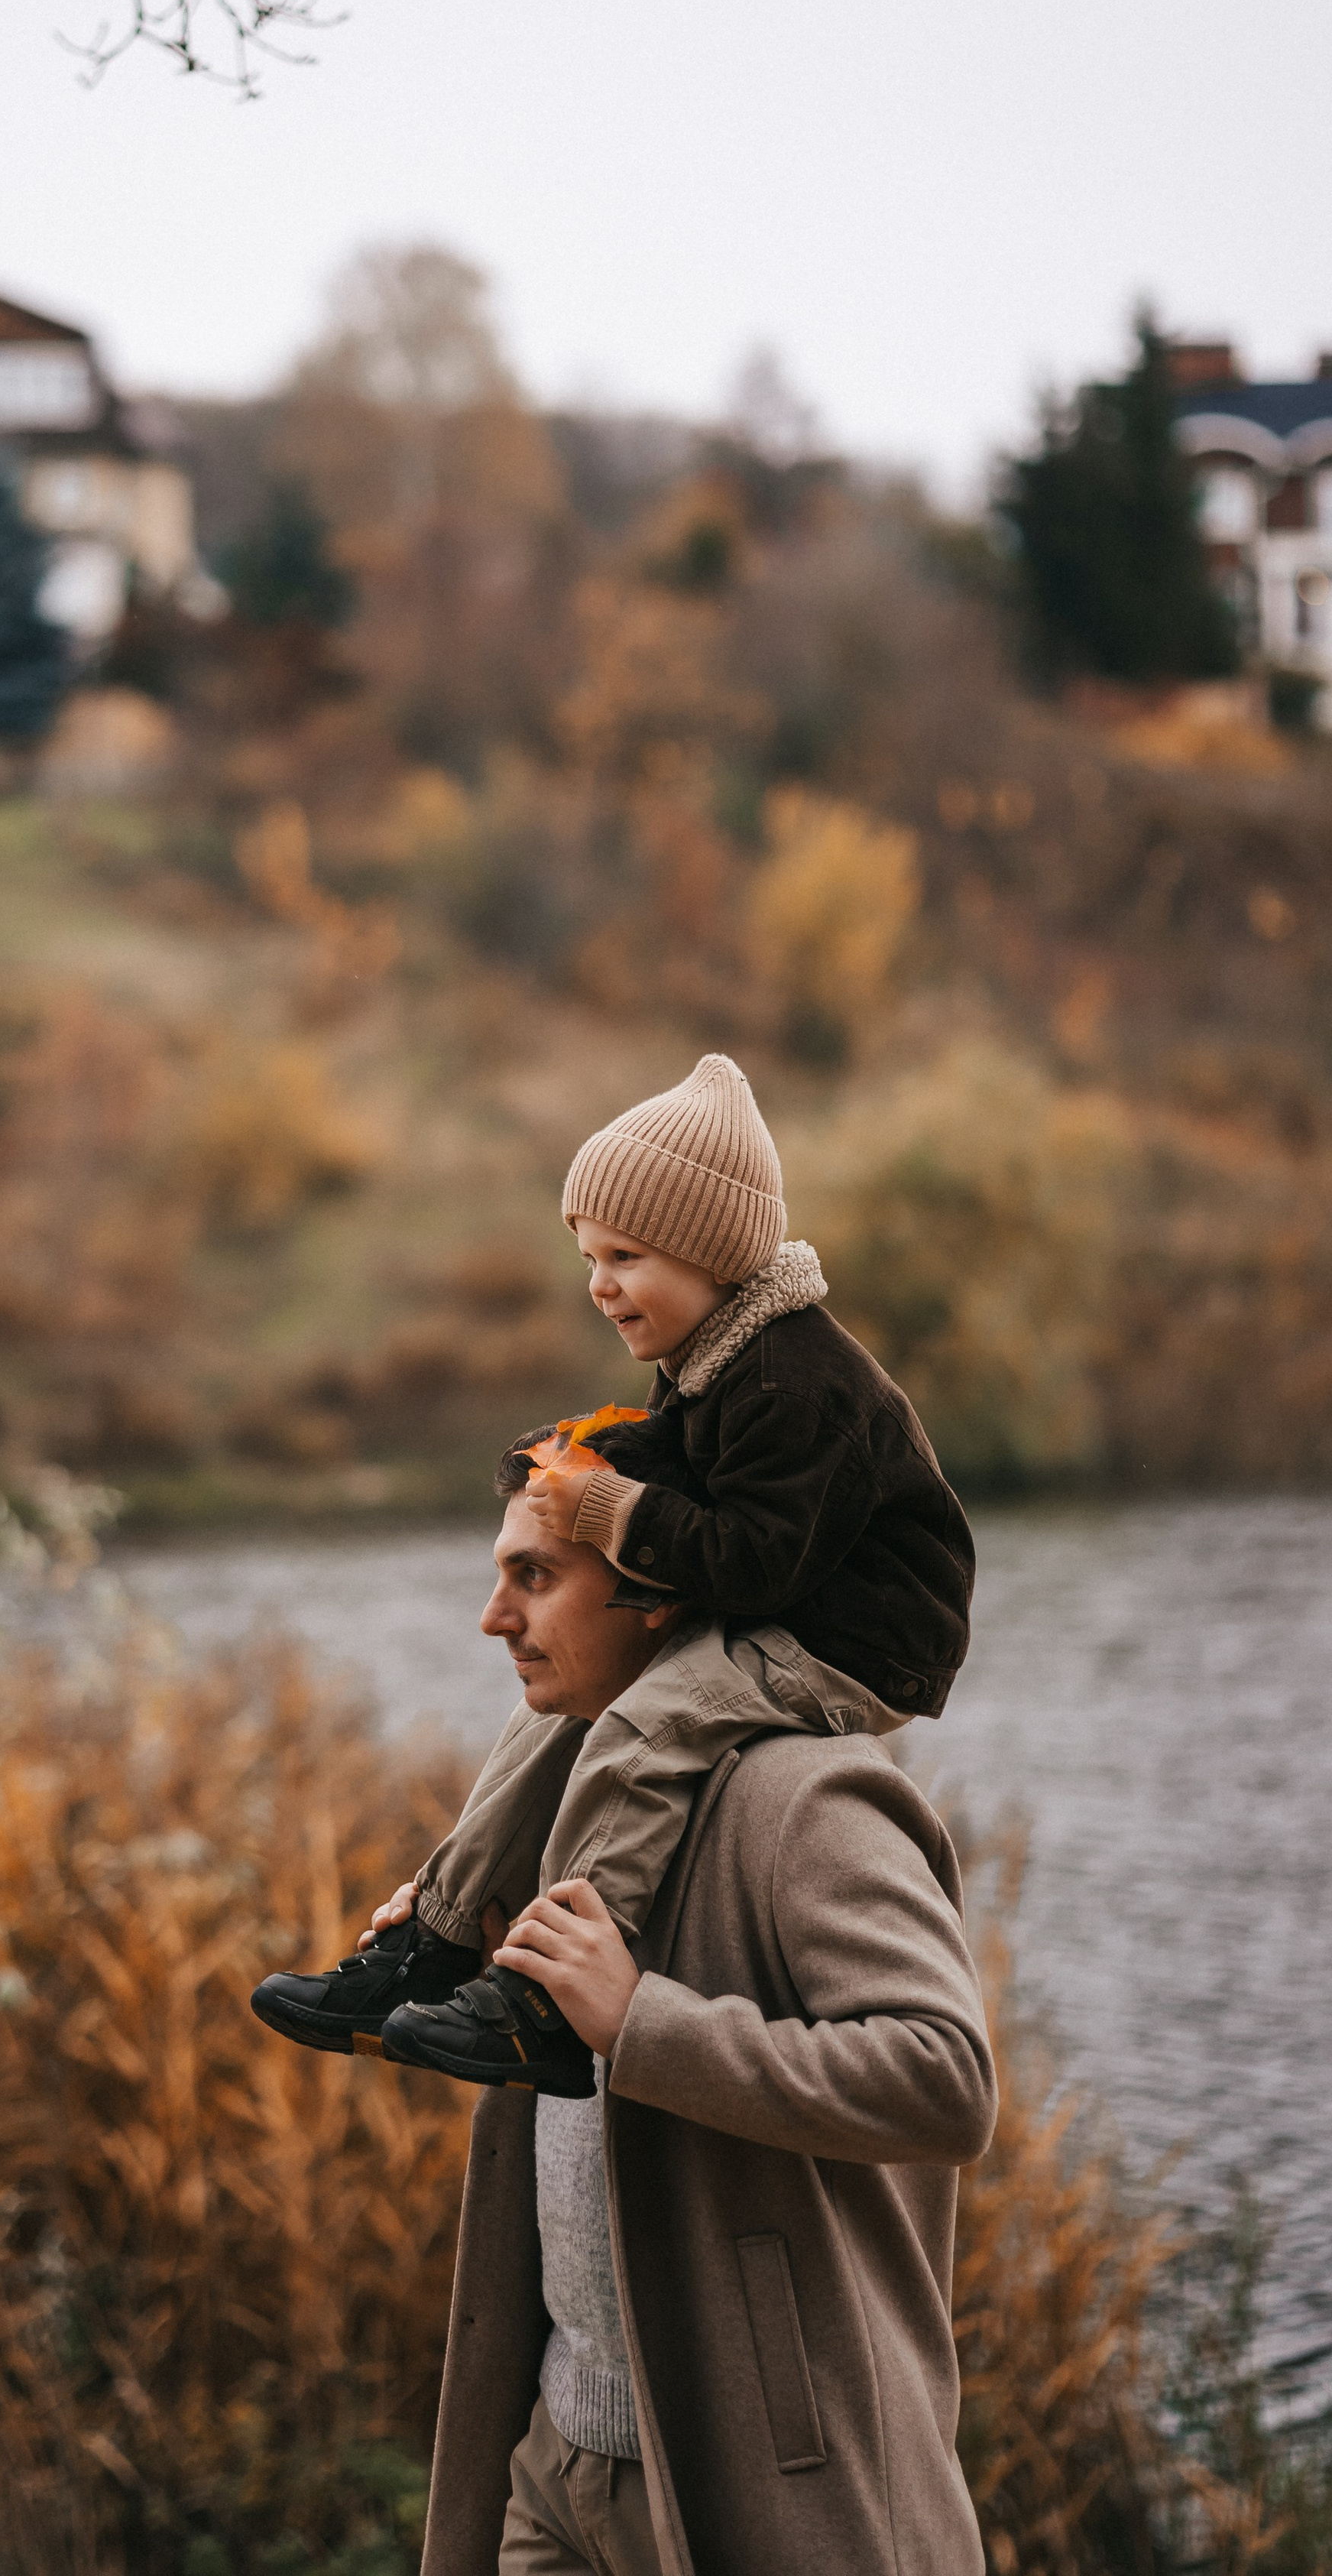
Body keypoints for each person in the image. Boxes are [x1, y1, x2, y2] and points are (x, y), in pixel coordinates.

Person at [251, 1053, 975, 2094]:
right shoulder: (709, 1357)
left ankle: (549, 1999)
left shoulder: (796, 1381)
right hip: (780, 1607)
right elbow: (672, 1470)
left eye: (625, 1256)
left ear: (714, 1252)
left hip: (854, 1640)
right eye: (590, 1256)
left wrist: (603, 1509)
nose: (599, 1284)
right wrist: (567, 1460)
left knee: (649, 1723)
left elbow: (752, 1563)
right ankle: (439, 1938)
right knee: (557, 1711)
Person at [414, 1465, 998, 2576]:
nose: (495, 1618)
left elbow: (945, 2078)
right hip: (553, 2469)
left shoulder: (807, 1797)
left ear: (656, 1592)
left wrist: (641, 2022)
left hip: (756, 2490)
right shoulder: (576, 1786)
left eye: (534, 1578)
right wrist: (464, 1968)